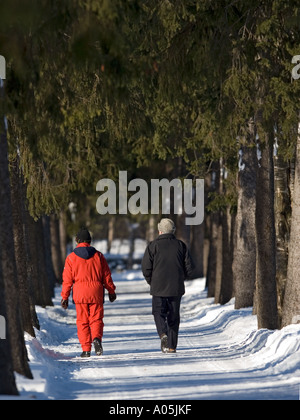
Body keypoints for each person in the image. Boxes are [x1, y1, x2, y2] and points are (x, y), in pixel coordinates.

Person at [61, 228, 117, 358]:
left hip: (80, 294)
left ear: (77, 241)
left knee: (82, 321)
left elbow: (67, 280)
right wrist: (111, 290)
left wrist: (65, 297)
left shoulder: (71, 258)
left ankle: (86, 349)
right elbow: (106, 275)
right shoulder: (98, 256)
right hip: (96, 292)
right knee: (96, 319)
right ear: (90, 241)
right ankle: (96, 338)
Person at [142, 218, 194, 354]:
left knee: (158, 312)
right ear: (173, 231)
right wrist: (181, 278)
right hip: (175, 287)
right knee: (173, 316)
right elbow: (189, 267)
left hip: (158, 286)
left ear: (160, 230)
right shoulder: (181, 245)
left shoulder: (153, 246)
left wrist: (151, 281)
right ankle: (171, 346)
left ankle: (162, 334)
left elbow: (146, 268)